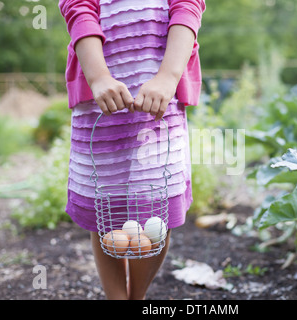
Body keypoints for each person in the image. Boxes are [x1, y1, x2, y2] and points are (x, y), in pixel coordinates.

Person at [58, 0, 205, 300]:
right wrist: (98, 77)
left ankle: (136, 297)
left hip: (160, 97)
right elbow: (78, 7)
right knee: (105, 204)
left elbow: (187, 6)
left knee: (157, 205)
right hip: (101, 97)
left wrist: (167, 77)